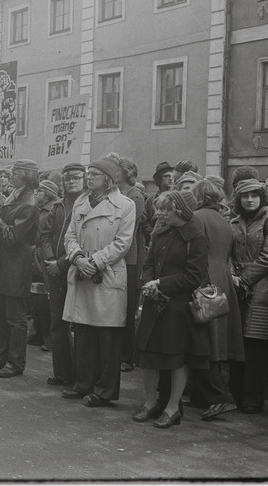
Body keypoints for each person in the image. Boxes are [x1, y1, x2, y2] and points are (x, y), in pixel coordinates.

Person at [62, 156, 135, 407]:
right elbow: (70, 235)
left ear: (108, 179)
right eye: (88, 173)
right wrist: (77, 258)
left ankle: (104, 390)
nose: (89, 177)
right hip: (82, 272)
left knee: (107, 337)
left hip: (106, 275)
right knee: (84, 333)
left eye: (94, 173)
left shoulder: (125, 205)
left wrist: (95, 262)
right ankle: (83, 383)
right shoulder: (81, 201)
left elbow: (123, 243)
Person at [133, 190, 210, 428]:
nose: (160, 213)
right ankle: (150, 403)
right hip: (155, 301)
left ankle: (172, 407)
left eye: (166, 209)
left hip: (178, 307)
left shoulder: (195, 237)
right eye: (160, 209)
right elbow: (148, 263)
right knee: (149, 357)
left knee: (177, 359)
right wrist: (149, 283)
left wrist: (162, 284)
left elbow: (195, 276)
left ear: (180, 211)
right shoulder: (160, 231)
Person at [0, 160, 41, 377]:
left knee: (15, 317)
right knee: (1, 313)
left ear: (26, 176)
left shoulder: (30, 203)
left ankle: (15, 362)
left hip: (16, 266)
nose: (10, 175)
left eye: (15, 172)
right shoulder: (15, 196)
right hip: (5, 264)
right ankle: (1, 356)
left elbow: (13, 236)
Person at [228, 179, 268, 414]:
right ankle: (235, 395)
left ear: (262, 197)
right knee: (236, 343)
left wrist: (245, 279)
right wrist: (231, 275)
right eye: (245, 196)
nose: (249, 199)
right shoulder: (233, 222)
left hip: (262, 290)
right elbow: (226, 253)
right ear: (239, 199)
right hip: (236, 288)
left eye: (254, 195)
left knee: (256, 346)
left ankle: (252, 398)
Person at [190, 179, 243, 420]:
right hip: (222, 277)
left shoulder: (198, 217)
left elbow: (195, 251)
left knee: (203, 341)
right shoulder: (223, 219)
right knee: (215, 339)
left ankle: (220, 398)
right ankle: (203, 396)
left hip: (205, 278)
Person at [42, 163, 86, 387]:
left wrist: (61, 263)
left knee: (78, 324)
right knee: (57, 323)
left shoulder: (88, 205)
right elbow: (45, 235)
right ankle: (62, 373)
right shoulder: (57, 206)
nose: (71, 182)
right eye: (67, 178)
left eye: (76, 178)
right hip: (55, 271)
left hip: (77, 269)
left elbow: (83, 241)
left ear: (84, 179)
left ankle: (80, 374)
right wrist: (51, 260)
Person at [109, 155, 146, 373]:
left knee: (128, 305)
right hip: (118, 254)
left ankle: (127, 356)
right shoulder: (117, 193)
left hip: (130, 257)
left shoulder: (135, 196)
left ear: (127, 173)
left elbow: (129, 229)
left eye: (117, 170)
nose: (113, 173)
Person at [29, 179, 61, 350]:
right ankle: (39, 333)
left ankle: (48, 337)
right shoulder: (41, 210)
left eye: (40, 191)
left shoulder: (50, 211)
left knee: (46, 299)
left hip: (44, 257)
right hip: (37, 257)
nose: (36, 194)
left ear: (48, 193)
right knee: (37, 296)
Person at [143, 161, 174, 245]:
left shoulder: (176, 198)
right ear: (159, 179)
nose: (170, 178)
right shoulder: (151, 201)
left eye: (172, 176)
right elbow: (145, 221)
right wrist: (151, 232)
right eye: (166, 176)